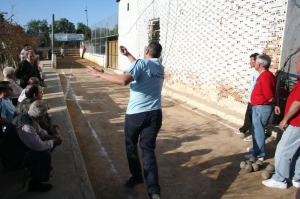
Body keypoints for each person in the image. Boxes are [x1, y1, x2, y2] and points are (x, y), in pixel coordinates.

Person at [87, 41, 164, 199]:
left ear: (147, 50)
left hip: (137, 114)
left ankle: (136, 176)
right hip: (155, 114)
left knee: (131, 145)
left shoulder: (142, 64)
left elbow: (123, 80)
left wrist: (98, 74)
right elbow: (141, 67)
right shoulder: (159, 67)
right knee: (148, 151)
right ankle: (154, 192)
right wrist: (128, 54)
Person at [262, 55, 300, 189]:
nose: (295, 65)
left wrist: (285, 119)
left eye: (297, 63)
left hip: (297, 123)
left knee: (283, 150)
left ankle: (280, 179)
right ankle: (297, 178)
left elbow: (297, 103)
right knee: (297, 151)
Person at [13, 100, 62, 192]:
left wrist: (50, 137)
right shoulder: (25, 125)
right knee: (44, 153)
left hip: (21, 148)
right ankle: (35, 184)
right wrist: (54, 141)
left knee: (48, 144)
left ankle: (39, 168)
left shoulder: (29, 116)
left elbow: (40, 131)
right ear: (41, 116)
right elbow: (39, 146)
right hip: (15, 157)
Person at [245, 54, 276, 161]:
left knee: (258, 131)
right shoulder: (265, 75)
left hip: (261, 108)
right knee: (256, 130)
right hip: (259, 107)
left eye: (256, 62)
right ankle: (256, 151)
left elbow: (269, 96)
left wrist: (271, 103)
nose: (254, 63)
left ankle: (259, 155)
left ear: (259, 64)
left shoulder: (265, 77)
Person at [235, 53, 259, 142]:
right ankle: (244, 129)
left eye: (251, 60)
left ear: (256, 61)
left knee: (254, 118)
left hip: (255, 100)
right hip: (251, 99)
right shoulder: (254, 71)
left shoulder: (260, 73)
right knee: (248, 116)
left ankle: (253, 134)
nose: (250, 62)